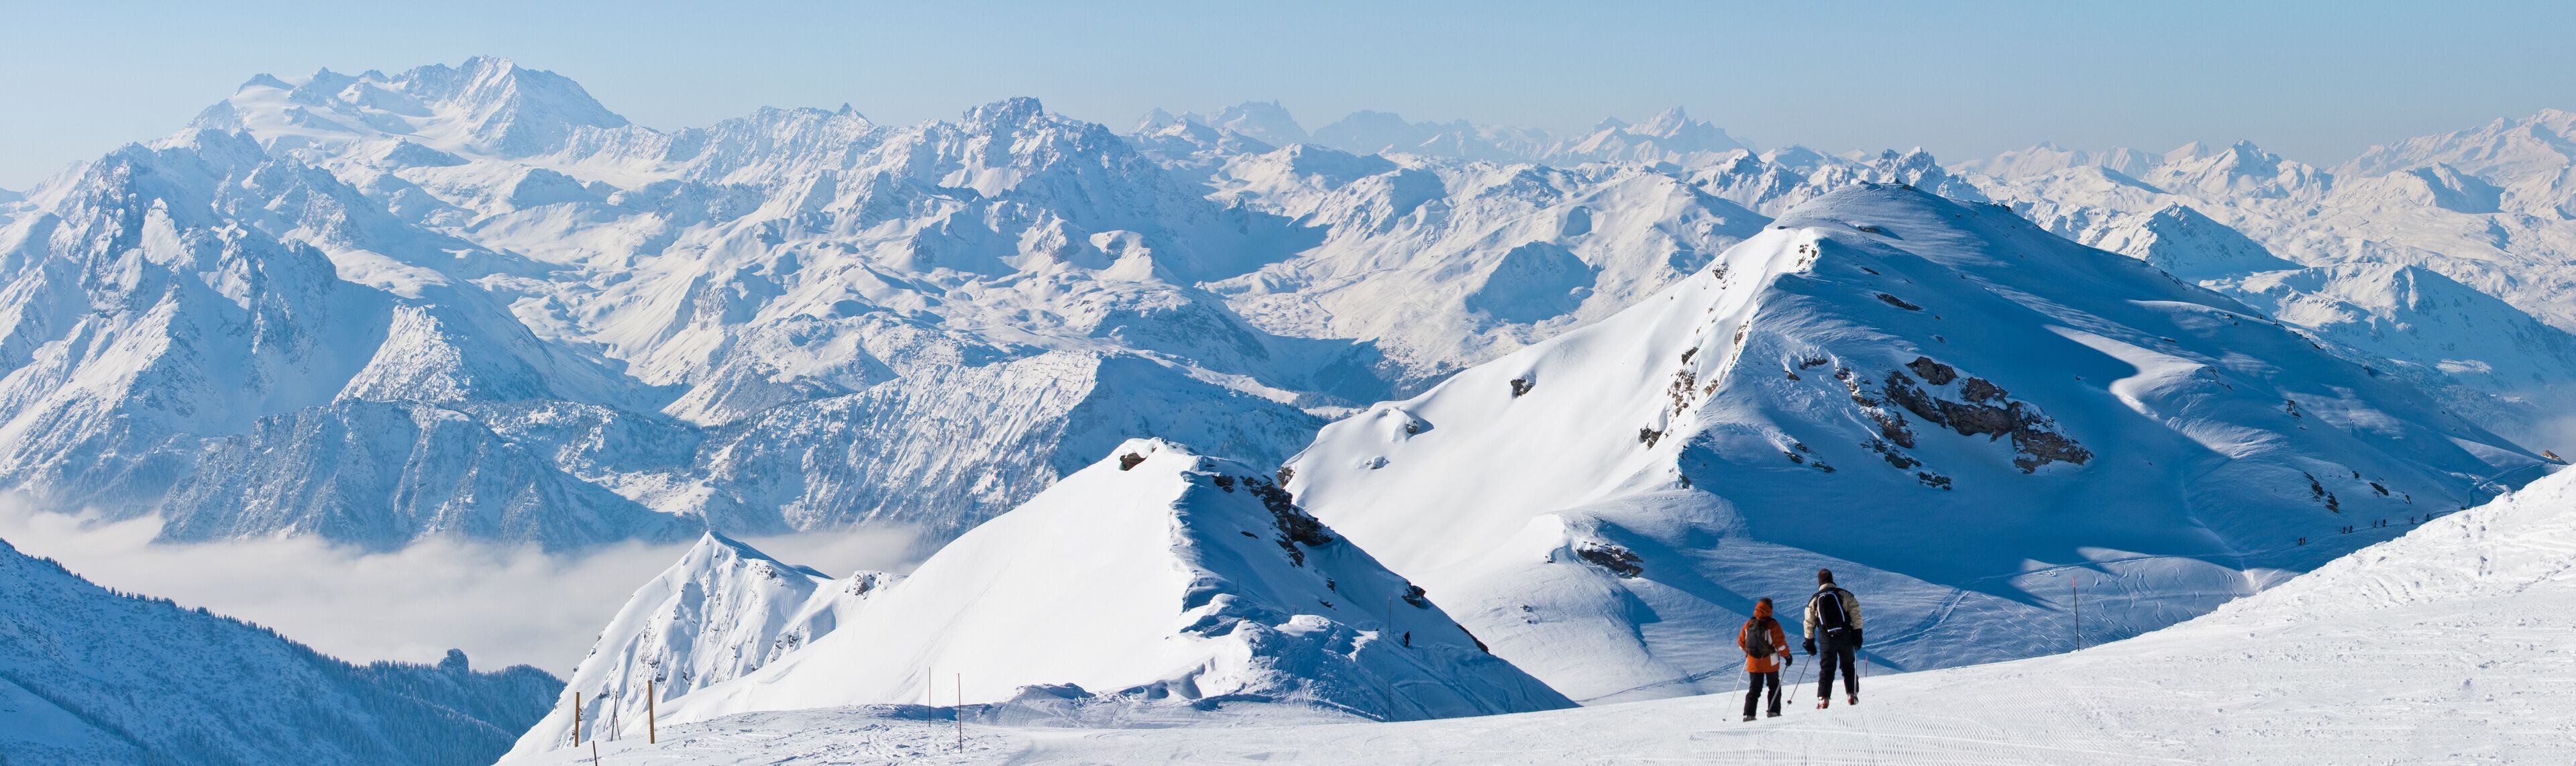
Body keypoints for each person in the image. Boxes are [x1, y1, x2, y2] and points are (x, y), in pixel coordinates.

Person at [1802, 567, 1864, 708]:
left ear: (1820, 582)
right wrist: (1857, 633)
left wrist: (1809, 642)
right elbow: (1856, 613)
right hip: (1845, 637)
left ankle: (1823, 698)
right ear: (1832, 579)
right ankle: (1852, 695)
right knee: (1848, 666)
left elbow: (1809, 622)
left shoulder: (1815, 599)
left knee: (1827, 668)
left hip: (1826, 639)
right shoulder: (1843, 594)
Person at [1736, 598, 1791, 720]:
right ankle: (1773, 712)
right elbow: (1780, 644)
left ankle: (1749, 714)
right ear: (1770, 608)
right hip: (1770, 661)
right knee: (1774, 686)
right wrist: (1787, 656)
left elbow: (1741, 643)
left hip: (1753, 662)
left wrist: (1748, 652)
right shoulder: (1773, 624)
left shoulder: (1748, 624)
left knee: (1754, 689)